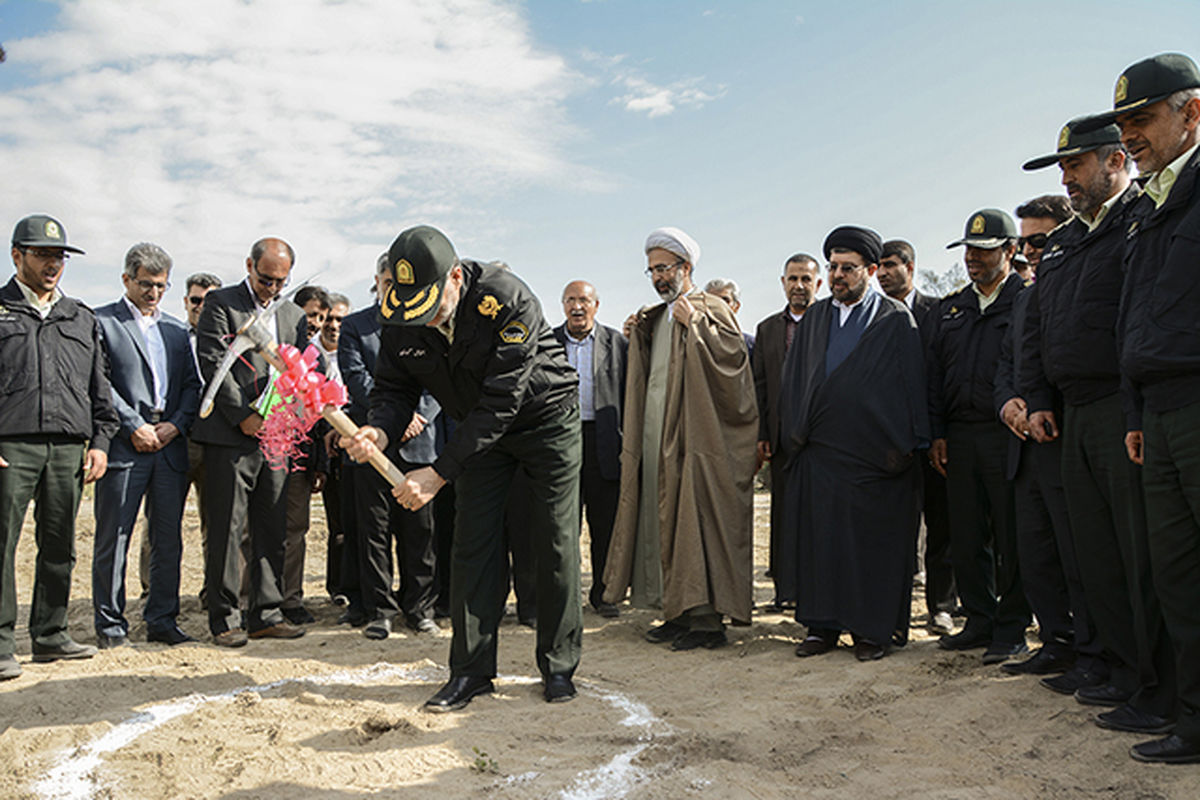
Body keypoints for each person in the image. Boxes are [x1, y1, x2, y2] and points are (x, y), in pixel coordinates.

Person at [344, 225, 583, 711]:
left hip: (543, 423)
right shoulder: (401, 312)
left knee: (554, 543)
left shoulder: (508, 299)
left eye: (431, 306)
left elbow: (502, 401)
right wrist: (379, 432)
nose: (424, 320)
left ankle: (558, 666)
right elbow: (393, 390)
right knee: (473, 546)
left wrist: (438, 472)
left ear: (456, 277)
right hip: (478, 433)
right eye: (412, 308)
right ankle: (471, 672)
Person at [1019, 116, 1174, 734]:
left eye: (1076, 165)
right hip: (1071, 413)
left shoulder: (1139, 224)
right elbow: (1037, 336)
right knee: (1093, 554)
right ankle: (1108, 664)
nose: (1067, 178)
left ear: (1115, 162)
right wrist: (1038, 397)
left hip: (1122, 407)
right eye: (1063, 168)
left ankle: (1150, 679)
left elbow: (1138, 322)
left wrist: (1132, 405)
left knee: (1138, 554)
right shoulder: (1062, 244)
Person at [1079, 52, 1200, 764]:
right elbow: (1134, 324)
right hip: (1155, 418)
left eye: (1144, 119)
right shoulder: (1148, 207)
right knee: (1178, 581)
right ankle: (1191, 721)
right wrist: (1132, 413)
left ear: (1192, 112)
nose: (1132, 136)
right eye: (1123, 124)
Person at [604, 227, 758, 651]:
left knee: (695, 522)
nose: (657, 276)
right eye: (652, 269)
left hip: (695, 441)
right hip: (655, 438)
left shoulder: (711, 308)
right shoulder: (660, 313)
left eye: (664, 268)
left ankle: (707, 622)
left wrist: (699, 327)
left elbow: (734, 369)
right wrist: (641, 332)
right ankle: (675, 612)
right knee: (660, 521)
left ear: (686, 267)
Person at [781, 226, 928, 661]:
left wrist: (903, 447)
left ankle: (872, 631)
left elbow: (910, 387)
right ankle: (821, 627)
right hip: (822, 453)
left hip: (874, 459)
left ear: (870, 270)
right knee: (822, 542)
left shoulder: (894, 319)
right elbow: (796, 383)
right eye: (833, 268)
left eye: (848, 268)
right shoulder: (817, 318)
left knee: (870, 547)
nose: (838, 275)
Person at [0, 214, 117, 680]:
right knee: (2, 545)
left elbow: (98, 389)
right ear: (17, 256)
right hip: (11, 447)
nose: (53, 264)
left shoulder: (80, 317)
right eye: (43, 254)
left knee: (59, 546)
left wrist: (101, 443)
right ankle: (2, 644)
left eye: (59, 257)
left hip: (70, 448)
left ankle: (50, 635)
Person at [191, 237, 310, 646]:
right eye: (265, 279)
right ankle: (224, 618)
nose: (272, 288)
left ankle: (266, 612)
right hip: (230, 435)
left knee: (272, 524)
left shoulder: (294, 315)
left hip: (276, 438)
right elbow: (212, 363)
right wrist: (243, 416)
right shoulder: (221, 304)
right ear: (249, 266)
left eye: (280, 281)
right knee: (226, 527)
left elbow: (299, 372)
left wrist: (282, 418)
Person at [927, 209, 1032, 664]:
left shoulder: (1026, 301)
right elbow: (934, 377)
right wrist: (937, 433)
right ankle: (979, 619)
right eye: (968, 250)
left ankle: (1011, 627)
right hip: (960, 436)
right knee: (966, 536)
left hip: (1007, 434)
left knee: (1012, 535)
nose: (973, 259)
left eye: (984, 251)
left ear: (1010, 250)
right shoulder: (950, 308)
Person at [991, 195, 1082, 678]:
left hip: (1065, 440)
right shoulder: (1026, 295)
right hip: (1022, 447)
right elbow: (1006, 365)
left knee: (1076, 554)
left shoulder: (1076, 285)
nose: (1029, 253)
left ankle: (1091, 650)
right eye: (1024, 244)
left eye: (1039, 241)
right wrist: (1009, 404)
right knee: (1036, 553)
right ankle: (1055, 642)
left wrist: (1045, 407)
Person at [93, 243, 200, 649]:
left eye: (161, 285)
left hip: (169, 447)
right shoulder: (103, 322)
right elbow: (99, 385)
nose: (153, 292)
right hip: (126, 446)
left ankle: (162, 619)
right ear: (126, 279)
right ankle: (110, 626)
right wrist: (133, 425)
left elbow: (191, 386)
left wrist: (174, 425)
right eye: (146, 284)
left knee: (167, 538)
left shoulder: (174, 330)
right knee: (113, 537)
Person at [339, 254, 440, 639]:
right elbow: (356, 377)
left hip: (420, 443)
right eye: (386, 282)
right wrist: (391, 417)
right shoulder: (355, 326)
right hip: (373, 443)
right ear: (377, 281)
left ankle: (420, 609)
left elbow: (438, 379)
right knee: (373, 532)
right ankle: (380, 610)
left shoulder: (426, 322)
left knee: (420, 533)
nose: (392, 289)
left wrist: (419, 415)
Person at [879, 239, 956, 636]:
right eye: (879, 266)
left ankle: (941, 607)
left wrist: (938, 432)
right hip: (890, 442)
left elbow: (942, 375)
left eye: (891, 265)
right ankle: (893, 612)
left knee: (941, 526)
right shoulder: (872, 316)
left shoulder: (938, 311)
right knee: (894, 531)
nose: (883, 272)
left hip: (933, 438)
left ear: (911, 267)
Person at [139, 271, 222, 600]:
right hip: (174, 438)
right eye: (196, 299)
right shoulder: (168, 333)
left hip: (215, 440)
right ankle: (152, 590)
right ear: (186, 301)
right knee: (160, 518)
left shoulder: (231, 340)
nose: (202, 306)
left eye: (210, 300)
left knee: (214, 521)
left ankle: (211, 590)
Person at [752, 253, 821, 611]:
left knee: (818, 515)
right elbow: (759, 385)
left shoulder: (829, 322)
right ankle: (784, 590)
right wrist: (763, 433)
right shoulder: (767, 329)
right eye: (793, 279)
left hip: (821, 439)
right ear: (782, 283)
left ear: (818, 284)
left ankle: (816, 590)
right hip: (781, 438)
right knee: (783, 514)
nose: (799, 286)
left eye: (806, 279)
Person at [556, 280, 627, 618]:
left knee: (605, 526)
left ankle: (605, 595)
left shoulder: (618, 343)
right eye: (570, 300)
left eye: (583, 300)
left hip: (604, 443)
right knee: (564, 527)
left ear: (596, 305)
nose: (577, 307)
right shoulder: (548, 343)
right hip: (561, 442)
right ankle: (565, 598)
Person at [703, 278, 755, 358]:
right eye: (713, 300)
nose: (719, 305)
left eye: (725, 300)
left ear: (736, 307)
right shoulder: (697, 342)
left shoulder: (750, 345)